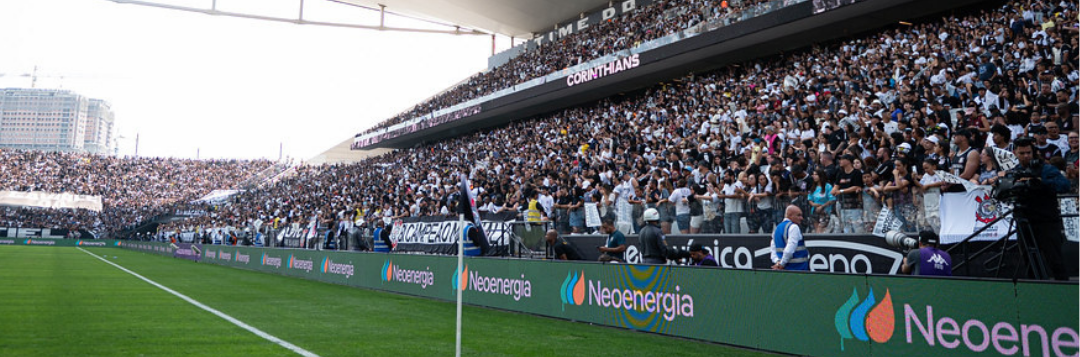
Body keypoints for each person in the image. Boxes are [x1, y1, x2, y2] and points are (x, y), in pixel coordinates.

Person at [1000, 137, 1071, 280]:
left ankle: (1063, 290)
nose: (1026, 156)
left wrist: (1041, 183)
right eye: (1022, 153)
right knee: (1028, 260)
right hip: (1024, 220)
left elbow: (1064, 186)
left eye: (1028, 152)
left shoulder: (1046, 168)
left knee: (1054, 259)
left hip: (1047, 221)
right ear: (1015, 153)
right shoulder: (1016, 171)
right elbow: (1002, 193)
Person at [770, 205, 809, 271]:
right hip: (798, 268)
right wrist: (782, 264)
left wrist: (778, 262)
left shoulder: (777, 228)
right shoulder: (794, 227)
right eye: (798, 215)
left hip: (784, 269)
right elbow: (789, 249)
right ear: (790, 215)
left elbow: (773, 249)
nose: (801, 218)